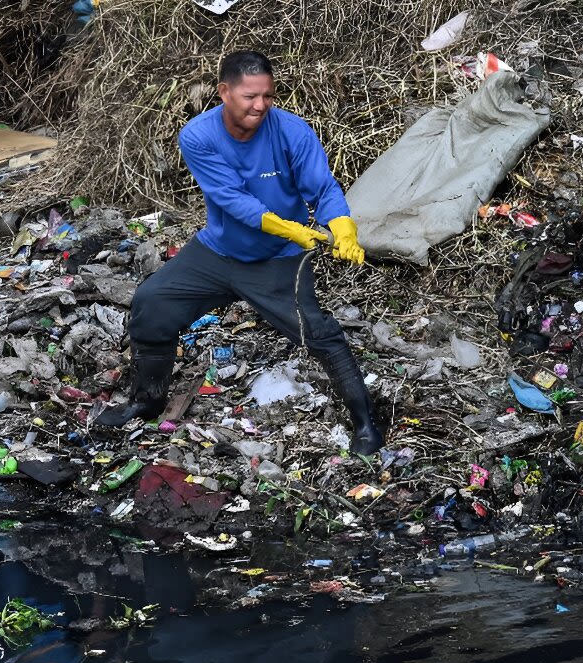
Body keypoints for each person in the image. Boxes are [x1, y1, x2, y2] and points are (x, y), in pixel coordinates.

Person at [97, 50, 384, 454]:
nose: (261, 105)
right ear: (224, 92)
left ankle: (366, 424)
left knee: (320, 335)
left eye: (267, 95)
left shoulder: (292, 131)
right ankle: (148, 401)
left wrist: (343, 228)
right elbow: (232, 200)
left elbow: (324, 189)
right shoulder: (198, 136)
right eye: (250, 96)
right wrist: (295, 228)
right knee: (151, 303)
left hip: (278, 259)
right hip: (218, 252)